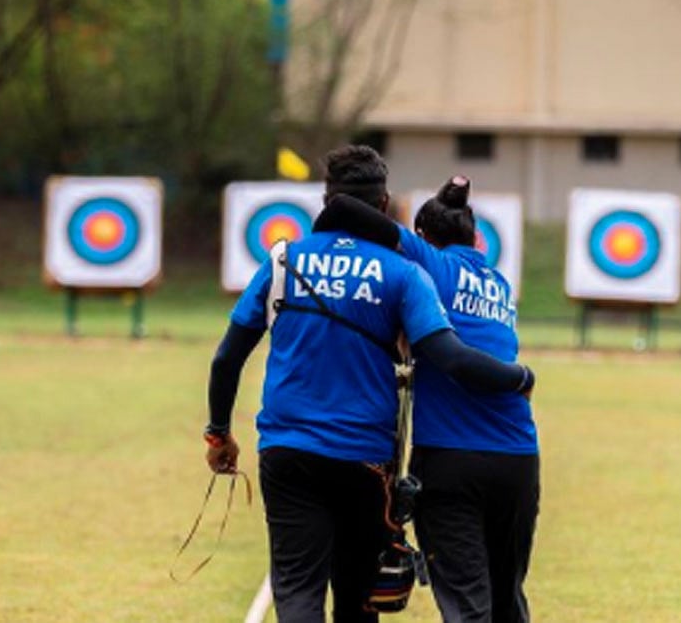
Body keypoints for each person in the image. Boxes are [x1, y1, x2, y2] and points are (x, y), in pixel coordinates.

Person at [204, 146, 536, 623]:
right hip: (366, 462)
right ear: (384, 206)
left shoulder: (283, 260)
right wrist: (520, 378)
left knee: (297, 590)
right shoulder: (405, 273)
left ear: (326, 199)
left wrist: (219, 432)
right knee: (359, 599)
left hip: (287, 451)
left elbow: (227, 358)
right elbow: (446, 354)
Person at [316, 176, 540, 623]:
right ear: (478, 239)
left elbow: (345, 207)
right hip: (518, 458)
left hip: (450, 459)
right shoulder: (498, 283)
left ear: (422, 238)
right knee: (507, 601)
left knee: (466, 605)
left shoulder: (431, 265)